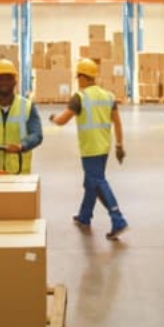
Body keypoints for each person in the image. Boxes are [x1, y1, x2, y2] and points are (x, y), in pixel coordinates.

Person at [50, 58, 129, 239]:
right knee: (90, 183)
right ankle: (85, 216)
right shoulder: (108, 96)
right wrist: (119, 145)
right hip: (103, 147)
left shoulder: (80, 97)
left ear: (83, 77)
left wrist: (53, 118)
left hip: (89, 148)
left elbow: (62, 120)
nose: (78, 80)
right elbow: (117, 123)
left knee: (98, 182)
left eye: (78, 77)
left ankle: (118, 219)